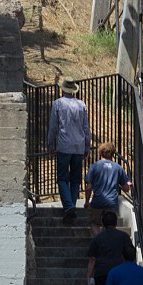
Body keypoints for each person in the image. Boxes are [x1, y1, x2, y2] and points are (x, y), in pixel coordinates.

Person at [47, 79, 90, 221]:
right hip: (79, 146)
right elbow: (85, 128)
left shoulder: (58, 104)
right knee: (76, 179)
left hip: (64, 145)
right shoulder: (82, 105)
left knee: (62, 178)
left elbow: (53, 127)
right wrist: (87, 146)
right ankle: (71, 206)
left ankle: (69, 206)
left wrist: (50, 145)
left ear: (63, 89)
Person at [86, 211, 133, 285]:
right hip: (120, 272)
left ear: (103, 224)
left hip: (101, 273)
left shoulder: (97, 239)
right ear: (116, 223)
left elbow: (92, 259)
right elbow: (130, 254)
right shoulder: (124, 236)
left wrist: (89, 276)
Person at [84, 143, 133, 233]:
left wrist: (87, 202)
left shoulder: (94, 166)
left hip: (97, 201)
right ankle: (109, 240)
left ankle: (99, 240)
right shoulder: (118, 168)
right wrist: (128, 185)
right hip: (111, 202)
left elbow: (89, 187)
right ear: (113, 154)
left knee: (94, 223)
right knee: (110, 225)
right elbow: (126, 188)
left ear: (100, 153)